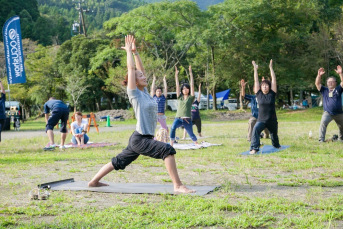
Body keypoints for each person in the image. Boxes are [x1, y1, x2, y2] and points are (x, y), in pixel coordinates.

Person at [88, 35, 194, 194]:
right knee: (167, 151)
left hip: (139, 138)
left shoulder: (144, 93)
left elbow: (139, 70)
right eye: (140, 77)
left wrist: (136, 52)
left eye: (143, 75)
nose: (144, 76)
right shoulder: (134, 94)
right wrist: (128, 53)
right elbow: (132, 70)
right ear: (134, 81)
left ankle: (94, 181)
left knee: (119, 161)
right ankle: (177, 185)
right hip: (141, 138)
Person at [249, 60, 281, 154]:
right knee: (255, 130)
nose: (264, 87)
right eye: (263, 86)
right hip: (261, 120)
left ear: (269, 87)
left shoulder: (272, 93)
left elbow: (274, 80)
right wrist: (255, 68)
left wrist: (271, 68)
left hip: (272, 120)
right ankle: (255, 148)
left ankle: (276, 145)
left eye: (266, 86)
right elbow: (256, 80)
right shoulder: (258, 94)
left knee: (274, 135)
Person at [170, 65, 199, 147]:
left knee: (191, 133)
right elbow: (177, 86)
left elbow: (192, 85)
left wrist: (190, 73)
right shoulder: (179, 97)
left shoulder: (191, 98)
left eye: (186, 88)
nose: (185, 90)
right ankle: (171, 143)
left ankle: (196, 142)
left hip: (187, 119)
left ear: (189, 89)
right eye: (183, 89)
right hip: (178, 118)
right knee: (172, 128)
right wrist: (176, 75)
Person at [315, 66, 343, 143]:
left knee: (342, 126)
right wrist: (319, 75)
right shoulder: (324, 90)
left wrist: (340, 73)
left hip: (339, 113)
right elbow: (317, 83)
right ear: (327, 83)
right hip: (327, 112)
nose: (330, 83)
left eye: (332, 81)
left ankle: (341, 139)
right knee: (323, 125)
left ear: (335, 83)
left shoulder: (338, 89)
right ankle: (321, 139)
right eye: (329, 81)